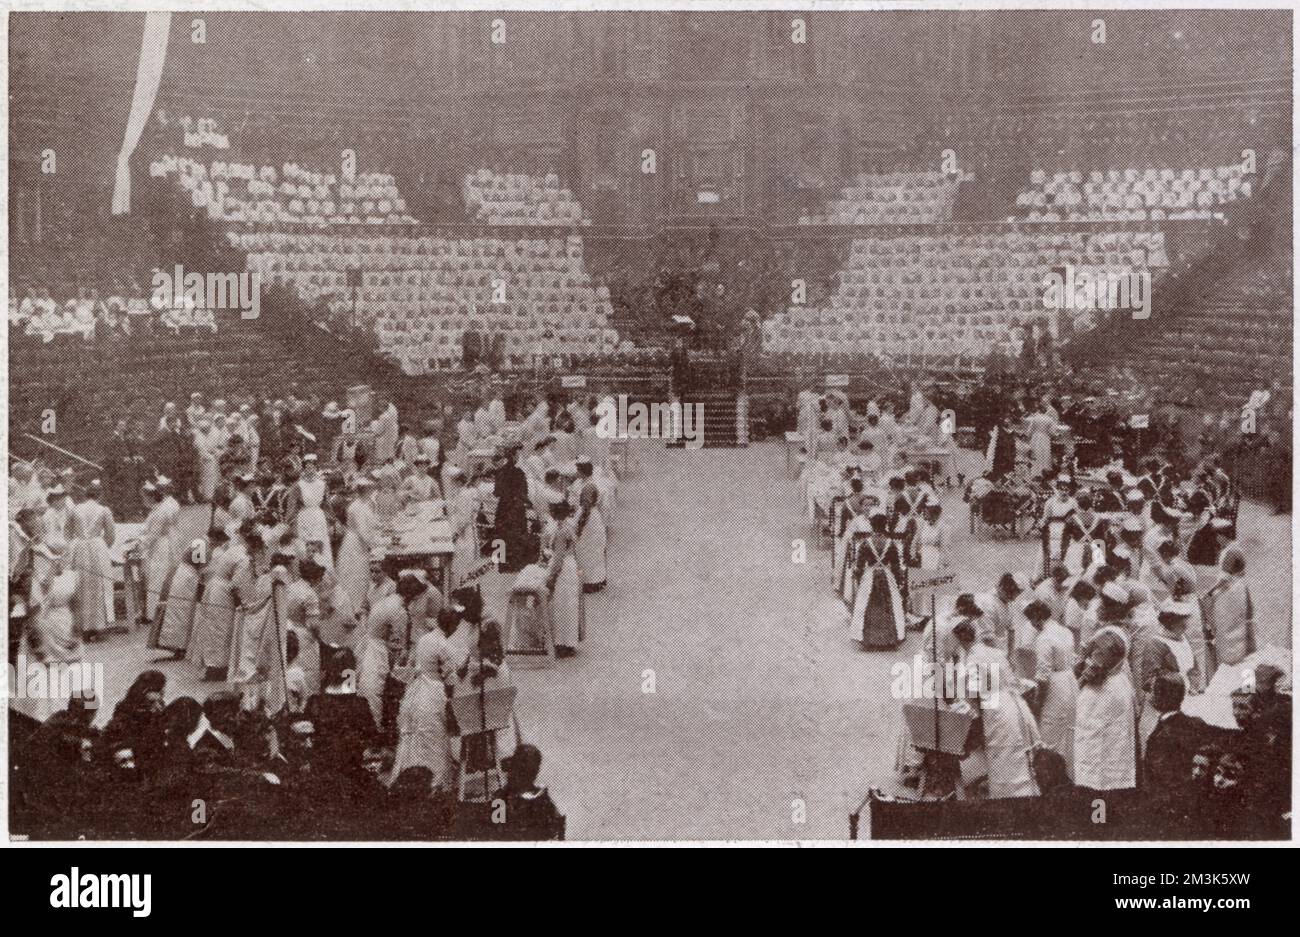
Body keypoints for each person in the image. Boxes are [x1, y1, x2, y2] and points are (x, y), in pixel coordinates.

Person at [391, 628, 458, 792]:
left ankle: (411, 775)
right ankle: (432, 781)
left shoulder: (424, 639)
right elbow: (450, 679)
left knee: (416, 735)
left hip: (418, 691)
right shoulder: (444, 645)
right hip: (433, 692)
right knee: (432, 734)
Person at [1073, 627, 1137, 792]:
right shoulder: (1122, 682)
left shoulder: (1095, 688)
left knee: (1094, 756)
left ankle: (1097, 807)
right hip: (1113, 745)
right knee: (1116, 753)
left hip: (1094, 744)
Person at [1027, 599, 1076, 772]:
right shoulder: (1065, 631)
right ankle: (1067, 769)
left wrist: (1037, 704)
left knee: (1049, 730)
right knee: (1067, 729)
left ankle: (1048, 774)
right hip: (1070, 681)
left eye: (1032, 621)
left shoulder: (1044, 639)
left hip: (1056, 685)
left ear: (1037, 618)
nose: (1032, 625)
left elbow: (1043, 677)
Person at [847, 512, 906, 650]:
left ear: (872, 525)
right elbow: (896, 566)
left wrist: (857, 576)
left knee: (867, 604)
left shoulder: (865, 544)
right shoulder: (891, 544)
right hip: (886, 575)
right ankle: (888, 639)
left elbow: (859, 566)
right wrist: (899, 581)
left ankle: (870, 639)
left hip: (870, 575)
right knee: (889, 605)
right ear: (885, 525)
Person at [1142, 673, 1210, 792]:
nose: (1146, 693)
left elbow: (1159, 776)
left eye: (1150, 690)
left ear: (1160, 696)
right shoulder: (1195, 723)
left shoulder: (1161, 736)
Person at [68, 481, 116, 639]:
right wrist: (101, 545)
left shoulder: (75, 509)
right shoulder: (103, 510)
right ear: (100, 495)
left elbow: (67, 532)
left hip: (79, 547)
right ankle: (99, 627)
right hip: (97, 547)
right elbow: (110, 535)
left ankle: (84, 627)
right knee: (99, 585)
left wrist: (76, 543)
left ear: (85, 495)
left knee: (81, 585)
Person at [1203, 544, 1255, 671]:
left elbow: (1208, 611)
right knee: (1244, 669)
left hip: (1226, 642)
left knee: (1227, 671)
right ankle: (1247, 688)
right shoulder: (1242, 586)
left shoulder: (1219, 591)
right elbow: (1250, 614)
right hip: (1240, 640)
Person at [544, 495, 584, 657]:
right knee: (569, 605)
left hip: (563, 570)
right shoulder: (569, 525)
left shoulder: (561, 531)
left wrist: (550, 577)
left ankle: (561, 643)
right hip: (571, 566)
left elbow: (558, 558)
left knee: (561, 606)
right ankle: (569, 642)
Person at [335, 477, 382, 614]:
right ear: (364, 491)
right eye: (368, 490)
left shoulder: (364, 505)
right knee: (356, 573)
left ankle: (360, 603)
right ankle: (354, 606)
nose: (370, 493)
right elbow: (362, 531)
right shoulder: (356, 507)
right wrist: (374, 544)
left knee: (361, 572)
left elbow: (372, 522)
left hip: (359, 541)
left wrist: (381, 526)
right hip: (355, 542)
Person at [496, 744, 563, 840]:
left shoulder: (543, 799)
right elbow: (496, 833)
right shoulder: (500, 799)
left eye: (528, 772)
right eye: (520, 771)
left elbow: (556, 830)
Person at [138, 481, 179, 625]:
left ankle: (156, 613)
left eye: (145, 497)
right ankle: (155, 611)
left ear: (151, 497)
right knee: (155, 577)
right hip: (159, 544)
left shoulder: (160, 511)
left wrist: (141, 545)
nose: (144, 501)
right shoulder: (157, 510)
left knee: (157, 578)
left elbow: (153, 534)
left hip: (160, 546)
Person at [492, 444, 532, 574]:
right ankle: (516, 563)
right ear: (514, 456)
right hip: (516, 507)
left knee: (502, 533)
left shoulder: (500, 472)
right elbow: (524, 493)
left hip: (503, 507)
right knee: (516, 534)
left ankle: (502, 564)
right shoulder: (519, 473)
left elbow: (496, 492)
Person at [289, 455, 333, 569]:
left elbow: (327, 505)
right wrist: (290, 522)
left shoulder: (322, 484)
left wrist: (331, 522)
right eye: (307, 467)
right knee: (304, 544)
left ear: (316, 468)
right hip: (304, 516)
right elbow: (292, 506)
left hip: (318, 517)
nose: (310, 470)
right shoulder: (298, 485)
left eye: (312, 467)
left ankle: (321, 571)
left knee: (319, 544)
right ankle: (305, 571)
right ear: (303, 468)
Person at [571, 458, 607, 592]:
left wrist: (579, 529)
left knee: (587, 550)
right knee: (592, 551)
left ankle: (590, 582)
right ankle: (596, 580)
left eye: (578, 470)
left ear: (582, 472)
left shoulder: (588, 486)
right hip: (594, 518)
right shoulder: (590, 482)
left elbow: (585, 510)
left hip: (589, 521)